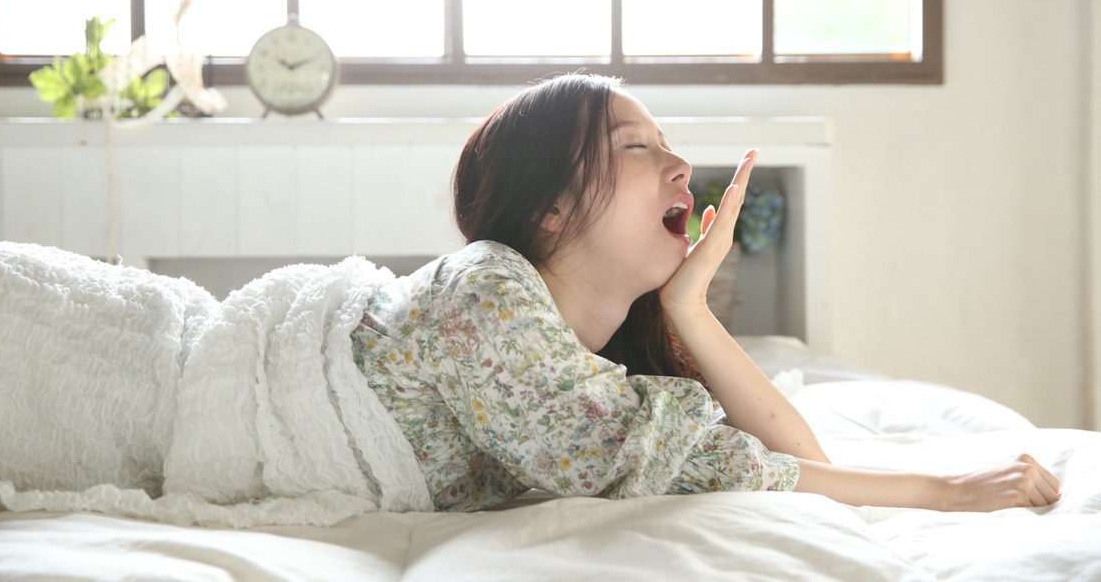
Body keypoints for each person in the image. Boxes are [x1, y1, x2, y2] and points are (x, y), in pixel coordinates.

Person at [354, 71, 1062, 512]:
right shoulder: (488, 293)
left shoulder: (582, 355)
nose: (681, 164)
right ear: (550, 209)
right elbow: (706, 464)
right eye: (637, 146)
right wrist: (939, 491)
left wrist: (688, 309)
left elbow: (799, 457)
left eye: (669, 143)